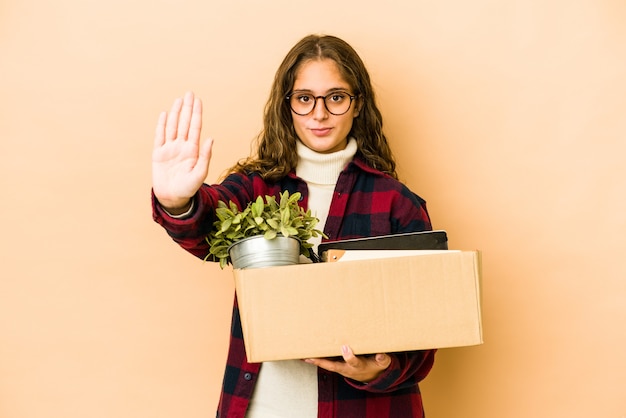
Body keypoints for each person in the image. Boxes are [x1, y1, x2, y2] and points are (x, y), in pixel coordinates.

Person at [152, 34, 436, 418]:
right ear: (287, 107)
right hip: (265, 408)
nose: (319, 114)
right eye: (304, 99)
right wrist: (178, 202)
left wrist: (379, 368)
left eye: (336, 97)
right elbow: (207, 224)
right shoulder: (256, 188)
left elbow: (428, 328)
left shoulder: (397, 204)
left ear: (358, 105)